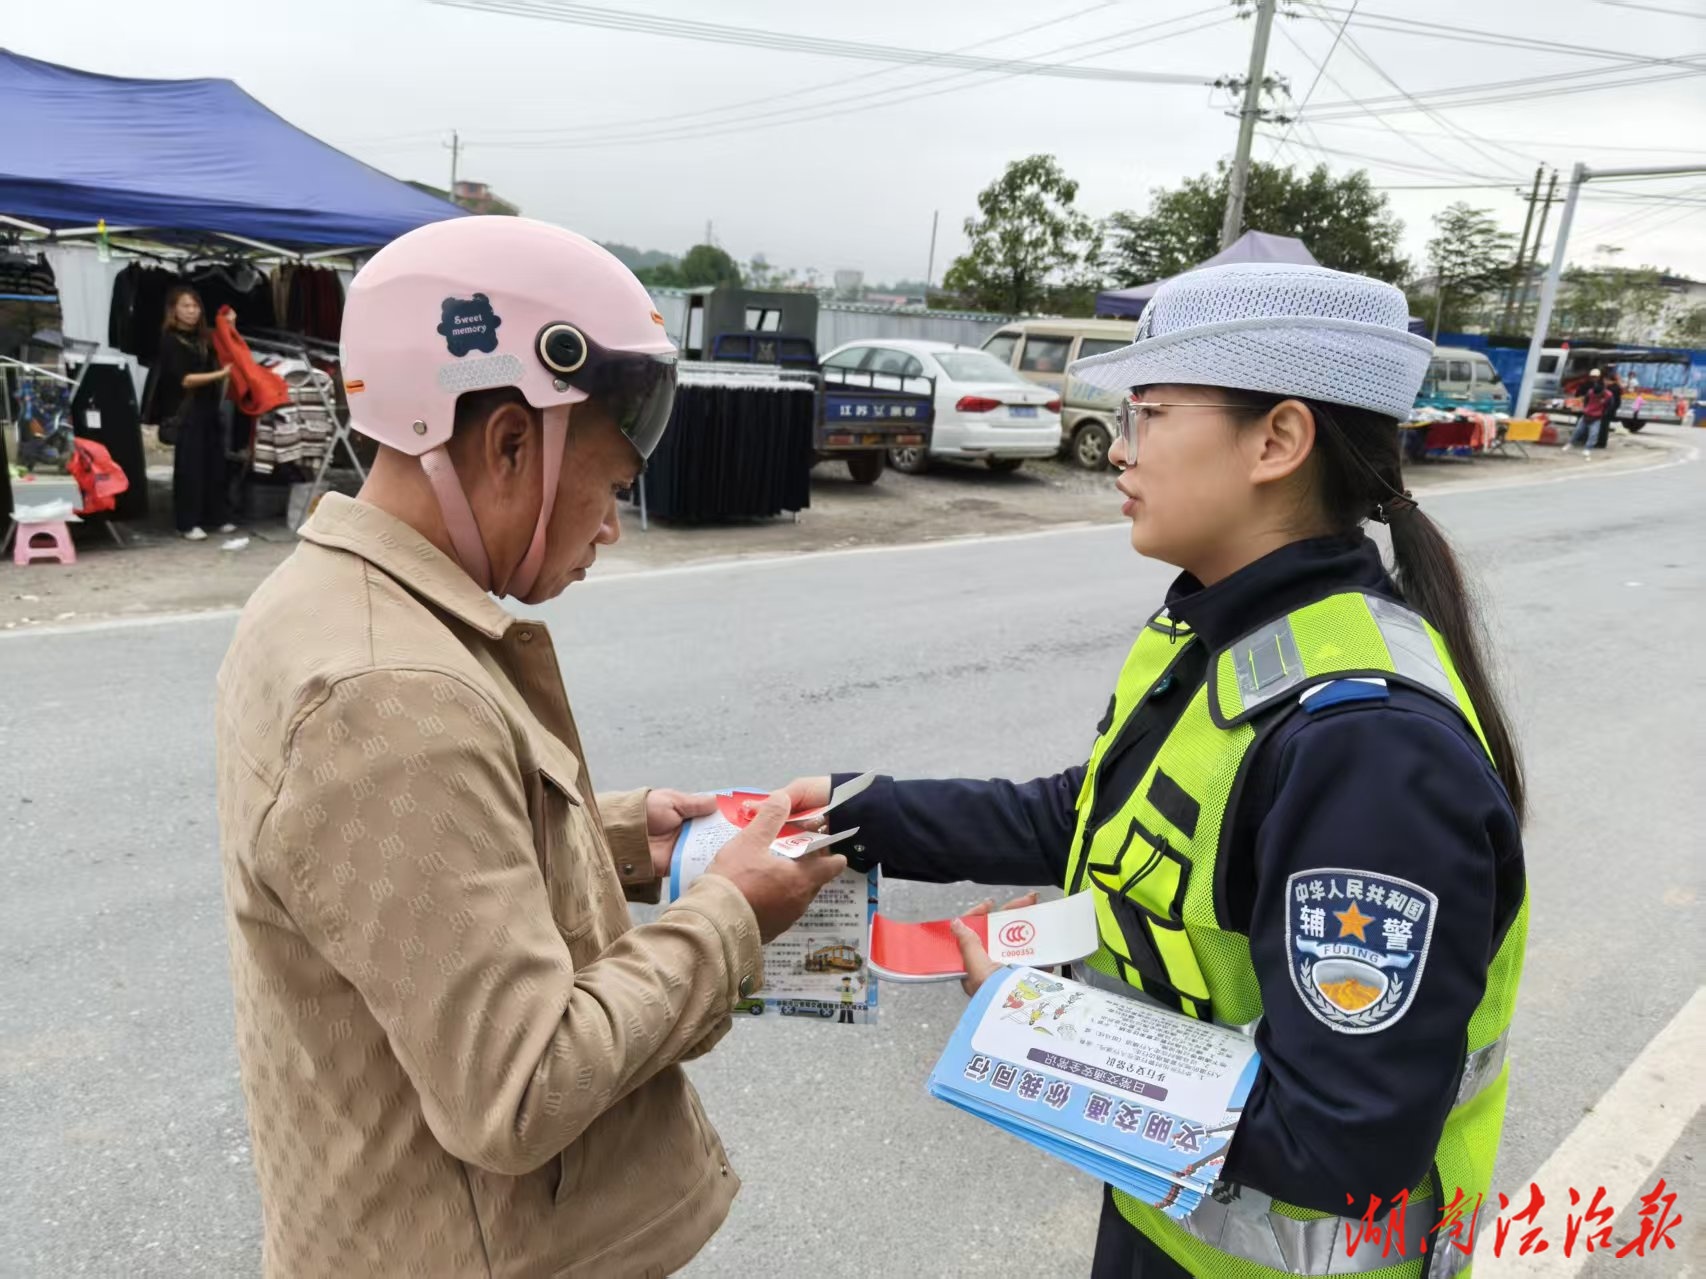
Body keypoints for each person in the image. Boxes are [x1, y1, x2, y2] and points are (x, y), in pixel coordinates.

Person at [785, 263, 1528, 1278]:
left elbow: (1342, 1140)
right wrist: (853, 810)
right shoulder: (1224, 629)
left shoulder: (1370, 754)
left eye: (1148, 412)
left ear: (1276, 439)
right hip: (1161, 1221)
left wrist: (1040, 1031)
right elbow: (1095, 814)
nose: (1118, 451)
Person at [214, 216, 847, 1279]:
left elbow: (396, 874)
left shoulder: (326, 599)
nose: (609, 525)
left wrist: (616, 839)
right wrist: (732, 914)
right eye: (607, 483)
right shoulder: (391, 694)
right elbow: (517, 1087)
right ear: (510, 441)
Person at [151, 285, 236, 539]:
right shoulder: (169, 340)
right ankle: (187, 523)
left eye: (195, 306)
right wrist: (221, 375)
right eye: (186, 306)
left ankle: (216, 517)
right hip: (187, 412)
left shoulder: (203, 338)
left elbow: (225, 345)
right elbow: (186, 379)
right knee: (191, 468)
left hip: (208, 409)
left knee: (215, 464)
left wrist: (230, 327)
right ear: (174, 310)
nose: (192, 311)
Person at [1570, 368, 1611, 456]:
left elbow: (1609, 402)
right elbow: (1581, 396)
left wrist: (1605, 411)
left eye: (1595, 377)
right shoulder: (1586, 385)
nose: (1594, 378)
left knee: (1594, 433)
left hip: (1598, 413)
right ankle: (1574, 442)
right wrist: (1584, 406)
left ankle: (1591, 446)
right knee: (1579, 430)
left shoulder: (1604, 388)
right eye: (1593, 377)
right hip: (1588, 411)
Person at [1599, 368, 1623, 448]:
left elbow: (1609, 400)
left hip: (1608, 410)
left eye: (1605, 380)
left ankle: (1601, 443)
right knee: (1604, 426)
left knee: (1603, 426)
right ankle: (1602, 442)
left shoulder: (1612, 388)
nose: (1604, 382)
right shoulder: (1616, 387)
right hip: (1610, 410)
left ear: (1608, 380)